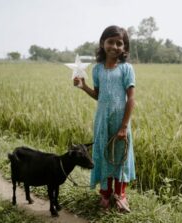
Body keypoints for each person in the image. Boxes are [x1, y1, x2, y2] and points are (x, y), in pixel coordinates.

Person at [73, 25, 136, 212]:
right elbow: (99, 95)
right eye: (111, 42)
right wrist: (84, 87)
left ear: (124, 48)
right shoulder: (98, 70)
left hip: (120, 122)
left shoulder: (126, 69)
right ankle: (105, 194)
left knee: (120, 157)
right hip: (102, 122)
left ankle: (120, 195)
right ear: (102, 43)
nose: (115, 46)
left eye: (120, 43)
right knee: (103, 155)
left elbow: (131, 99)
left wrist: (124, 127)